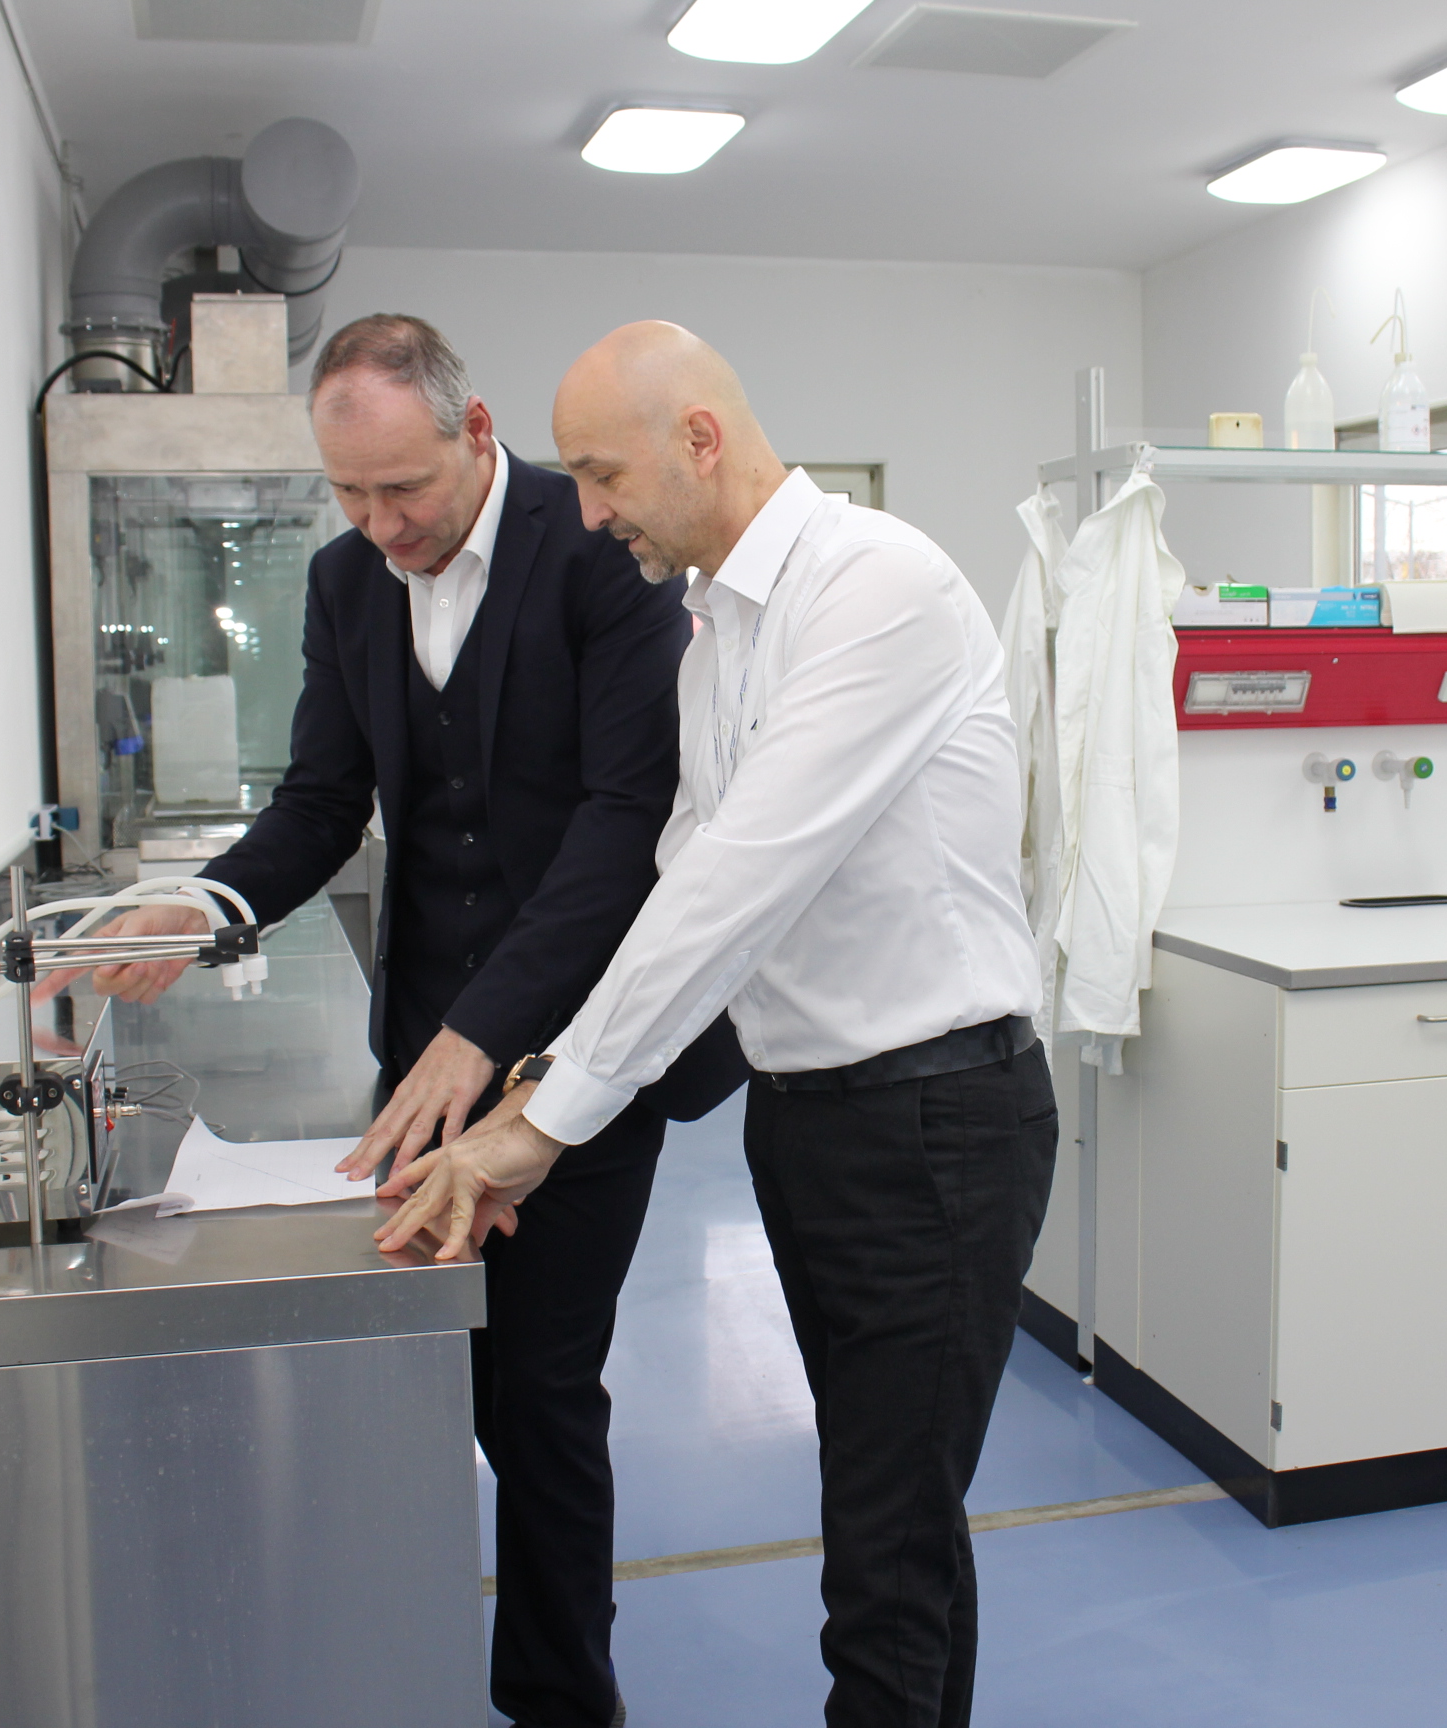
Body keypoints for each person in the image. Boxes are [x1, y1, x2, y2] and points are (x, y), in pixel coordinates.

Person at [54, 313, 745, 1728]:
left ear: (475, 432)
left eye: (404, 490)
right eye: (350, 495)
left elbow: (626, 822)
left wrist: (487, 1034)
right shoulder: (345, 584)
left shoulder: (595, 555)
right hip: (426, 1052)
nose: (380, 526)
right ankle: (407, 1655)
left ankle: (561, 1699)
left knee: (541, 1387)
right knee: (442, 1365)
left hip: (577, 1056)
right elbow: (323, 801)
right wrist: (200, 903)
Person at [380, 321, 1058, 1728]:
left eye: (602, 474)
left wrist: (540, 1128)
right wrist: (538, 1096)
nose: (587, 514)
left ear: (700, 439)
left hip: (936, 1122)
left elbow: (742, 881)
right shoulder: (719, 630)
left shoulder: (878, 586)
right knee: (899, 1513)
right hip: (807, 1122)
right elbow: (680, 874)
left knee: (881, 1554)